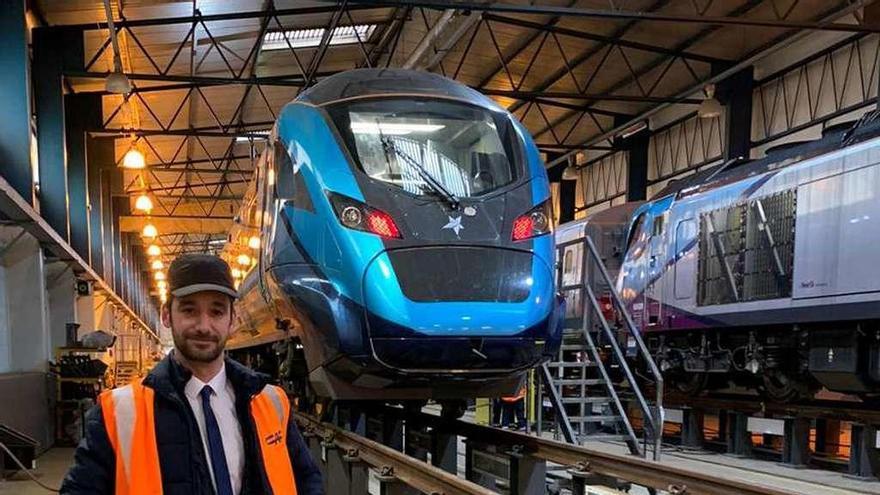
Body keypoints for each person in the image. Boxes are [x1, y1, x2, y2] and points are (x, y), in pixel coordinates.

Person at [61, 254, 323, 495]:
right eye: (189, 310)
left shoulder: (271, 402)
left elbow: (307, 481)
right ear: (167, 315)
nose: (203, 325)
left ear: (233, 320)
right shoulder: (118, 412)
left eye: (217, 311)